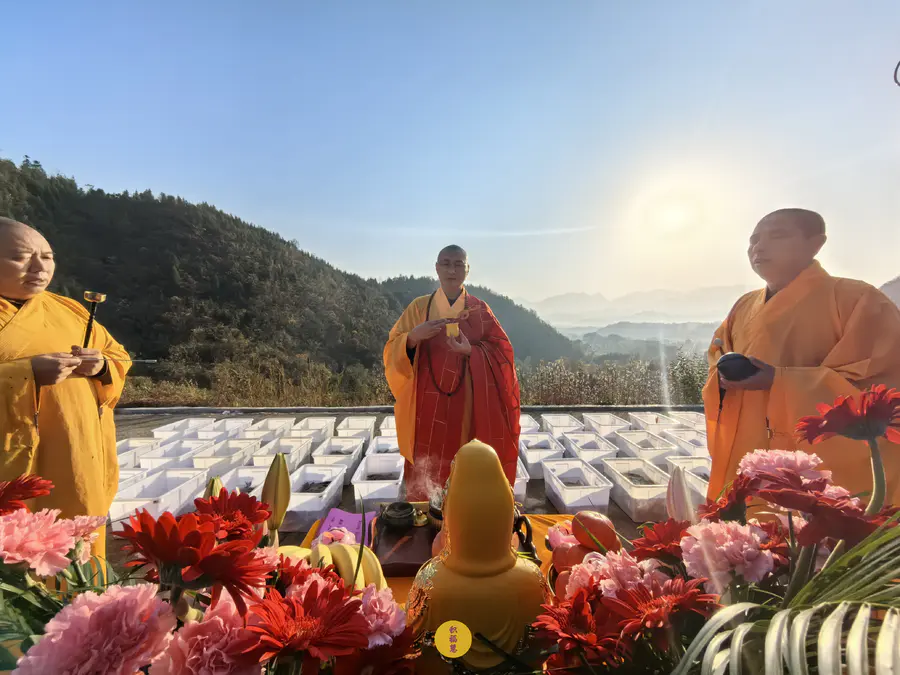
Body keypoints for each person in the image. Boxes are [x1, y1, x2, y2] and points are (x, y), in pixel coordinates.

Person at [704, 208, 900, 503]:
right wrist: (722, 378)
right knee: (752, 525)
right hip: (751, 449)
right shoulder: (743, 306)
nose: (759, 247)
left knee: (821, 525)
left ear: (816, 243)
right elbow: (717, 358)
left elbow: (881, 384)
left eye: (777, 235)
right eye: (753, 240)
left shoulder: (858, 299)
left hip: (820, 465)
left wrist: (779, 381)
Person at [0, 217, 131, 561]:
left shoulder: (68, 309)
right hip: (13, 461)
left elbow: (118, 356)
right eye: (20, 257)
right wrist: (25, 373)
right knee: (18, 561)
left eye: (47, 257)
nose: (39, 268)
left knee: (79, 547)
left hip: (77, 453)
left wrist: (102, 366)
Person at [384, 245, 521, 501]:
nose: (451, 270)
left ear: (467, 270)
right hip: (426, 402)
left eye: (458, 264)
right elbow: (392, 348)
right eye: (446, 263)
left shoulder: (480, 311)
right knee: (426, 461)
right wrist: (412, 337)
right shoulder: (419, 308)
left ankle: (462, 513)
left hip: (467, 402)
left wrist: (472, 351)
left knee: (464, 462)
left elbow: (503, 353)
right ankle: (425, 514)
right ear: (436, 268)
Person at [408, 441, 550, 673]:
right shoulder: (533, 580)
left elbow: (414, 653)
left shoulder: (430, 583)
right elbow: (542, 649)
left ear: (451, 509)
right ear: (506, 509)